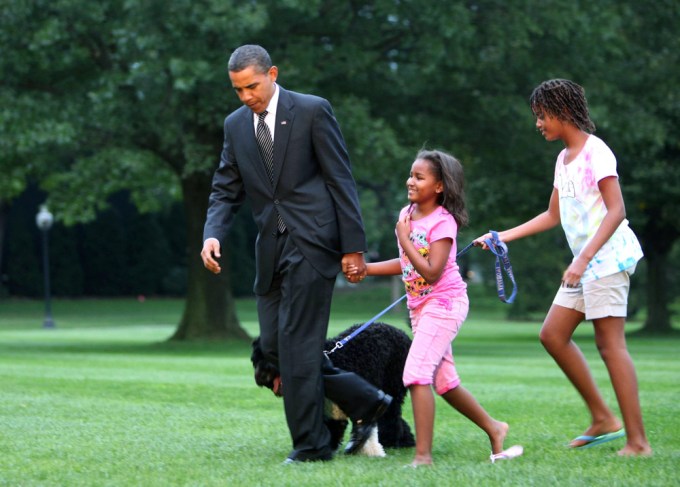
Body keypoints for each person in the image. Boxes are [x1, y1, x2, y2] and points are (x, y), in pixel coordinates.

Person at [200, 44, 391, 464]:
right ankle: (365, 399)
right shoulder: (235, 126)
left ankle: (310, 446)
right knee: (272, 346)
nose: (246, 96)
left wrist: (352, 248)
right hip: (270, 248)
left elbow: (340, 180)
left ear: (272, 73)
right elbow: (224, 187)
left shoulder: (311, 111)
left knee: (299, 347)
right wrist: (212, 233)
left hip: (315, 243)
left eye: (252, 86)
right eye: (237, 90)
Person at [474, 79, 652, 457]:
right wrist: (501, 236)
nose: (538, 123)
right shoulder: (563, 159)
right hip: (583, 266)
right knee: (553, 334)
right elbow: (553, 215)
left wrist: (583, 259)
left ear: (562, 112)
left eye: (541, 116)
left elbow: (617, 211)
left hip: (606, 260)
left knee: (610, 344)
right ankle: (603, 418)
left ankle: (639, 443)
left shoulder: (596, 152)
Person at [348, 149, 523, 467]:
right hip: (420, 307)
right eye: (410, 174)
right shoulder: (407, 215)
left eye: (419, 176)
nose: (410, 181)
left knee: (415, 374)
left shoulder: (444, 223)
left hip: (444, 303)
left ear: (440, 186)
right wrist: (368, 269)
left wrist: (405, 239)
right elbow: (406, 264)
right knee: (445, 382)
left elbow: (432, 271)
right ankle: (495, 428)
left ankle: (423, 457)